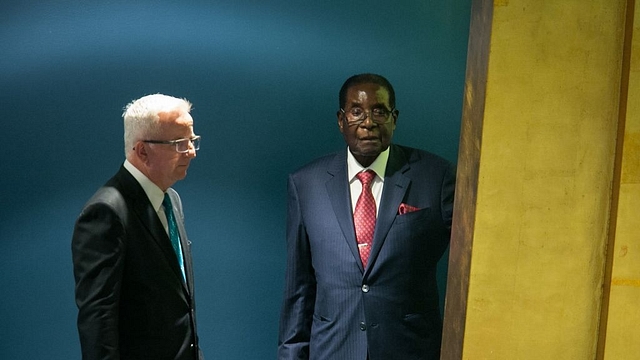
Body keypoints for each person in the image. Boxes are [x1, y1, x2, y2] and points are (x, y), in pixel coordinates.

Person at [278, 74, 455, 360]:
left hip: (410, 349)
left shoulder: (436, 177)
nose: (368, 122)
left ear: (394, 119)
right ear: (341, 120)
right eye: (356, 112)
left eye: (379, 111)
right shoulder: (305, 184)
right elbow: (298, 287)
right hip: (333, 349)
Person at [72, 94, 204, 360]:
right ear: (142, 150)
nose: (191, 152)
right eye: (179, 143)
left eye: (192, 141)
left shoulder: (171, 200)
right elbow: (98, 321)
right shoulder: (105, 212)